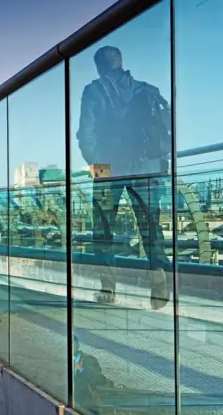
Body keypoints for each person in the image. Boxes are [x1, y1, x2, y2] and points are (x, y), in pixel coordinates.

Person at [77, 45, 171, 310]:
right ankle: (158, 278)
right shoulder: (148, 89)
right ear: (121, 62)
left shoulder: (94, 91)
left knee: (104, 228)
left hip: (111, 170)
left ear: (99, 67)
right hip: (148, 169)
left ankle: (108, 287)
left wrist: (101, 172)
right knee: (151, 226)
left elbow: (86, 135)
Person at [72, 334, 116, 413]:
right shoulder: (63, 359)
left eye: (73, 344)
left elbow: (99, 379)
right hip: (68, 400)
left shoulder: (89, 360)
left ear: (78, 345)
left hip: (84, 403)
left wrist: (82, 370)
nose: (71, 347)